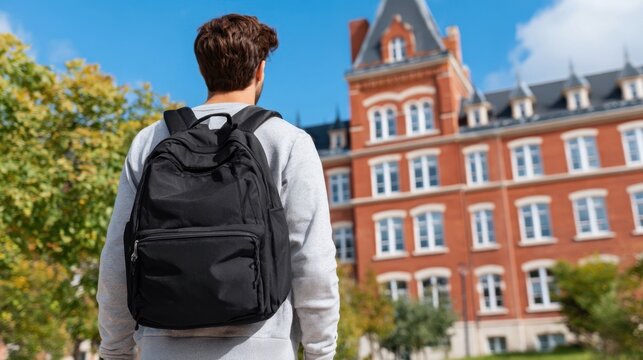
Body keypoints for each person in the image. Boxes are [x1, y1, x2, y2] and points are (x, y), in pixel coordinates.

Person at [97, 14, 340, 360]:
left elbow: (117, 261)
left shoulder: (151, 140)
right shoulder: (287, 142)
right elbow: (312, 261)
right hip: (263, 349)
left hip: (160, 348)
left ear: (202, 71)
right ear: (260, 71)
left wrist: (115, 351)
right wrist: (321, 353)